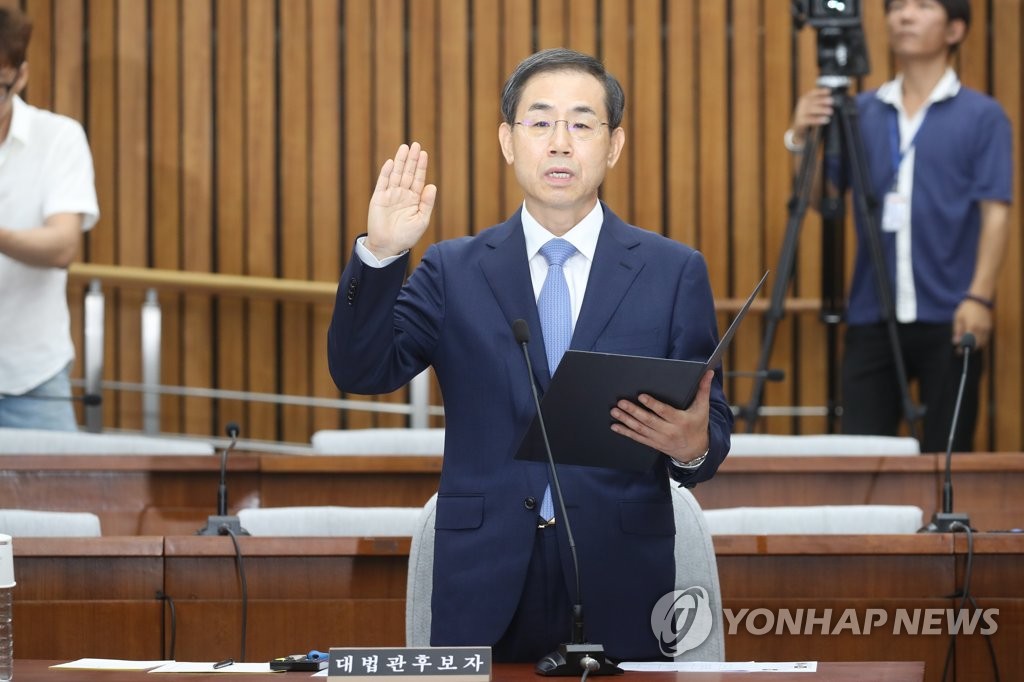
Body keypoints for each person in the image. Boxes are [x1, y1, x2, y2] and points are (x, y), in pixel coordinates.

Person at [327, 48, 732, 662]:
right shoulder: (452, 270)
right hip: (482, 579)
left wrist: (692, 447)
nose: (560, 143)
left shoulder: (673, 272)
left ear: (614, 145)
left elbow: (709, 428)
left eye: (582, 124)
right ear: (507, 142)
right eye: (540, 122)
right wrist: (381, 256)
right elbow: (361, 369)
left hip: (622, 577)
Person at [785, 0, 1012, 452]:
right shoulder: (862, 110)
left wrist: (979, 297)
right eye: (897, 7)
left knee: (947, 457)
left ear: (955, 30)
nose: (904, 16)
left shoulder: (982, 115)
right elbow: (821, 198)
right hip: (871, 312)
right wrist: (800, 139)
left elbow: (996, 212)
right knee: (862, 457)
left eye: (922, 6)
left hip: (951, 312)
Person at [0, 7, 99, 431]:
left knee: (59, 477)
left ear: (20, 76)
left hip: (33, 377)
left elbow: (62, 246)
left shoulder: (59, 137)